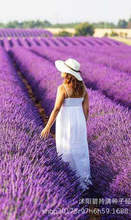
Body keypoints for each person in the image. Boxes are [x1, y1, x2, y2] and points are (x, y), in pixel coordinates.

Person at [40, 58, 93, 192]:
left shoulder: (62, 88)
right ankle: (85, 182)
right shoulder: (83, 88)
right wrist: (82, 123)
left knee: (66, 149)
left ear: (68, 73)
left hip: (66, 122)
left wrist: (47, 127)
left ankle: (70, 181)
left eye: (64, 70)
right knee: (80, 150)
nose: (61, 72)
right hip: (79, 121)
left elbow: (56, 109)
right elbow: (86, 110)